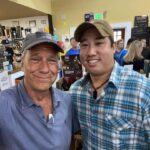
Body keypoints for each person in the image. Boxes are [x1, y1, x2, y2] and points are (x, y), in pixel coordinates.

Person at [69, 20, 150, 149]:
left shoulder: (143, 90)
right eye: (84, 45)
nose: (90, 52)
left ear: (113, 47)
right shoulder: (75, 91)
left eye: (99, 43)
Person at [0, 32, 73, 150]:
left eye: (51, 60)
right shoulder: (4, 104)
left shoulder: (66, 101)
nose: (44, 69)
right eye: (35, 59)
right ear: (22, 64)